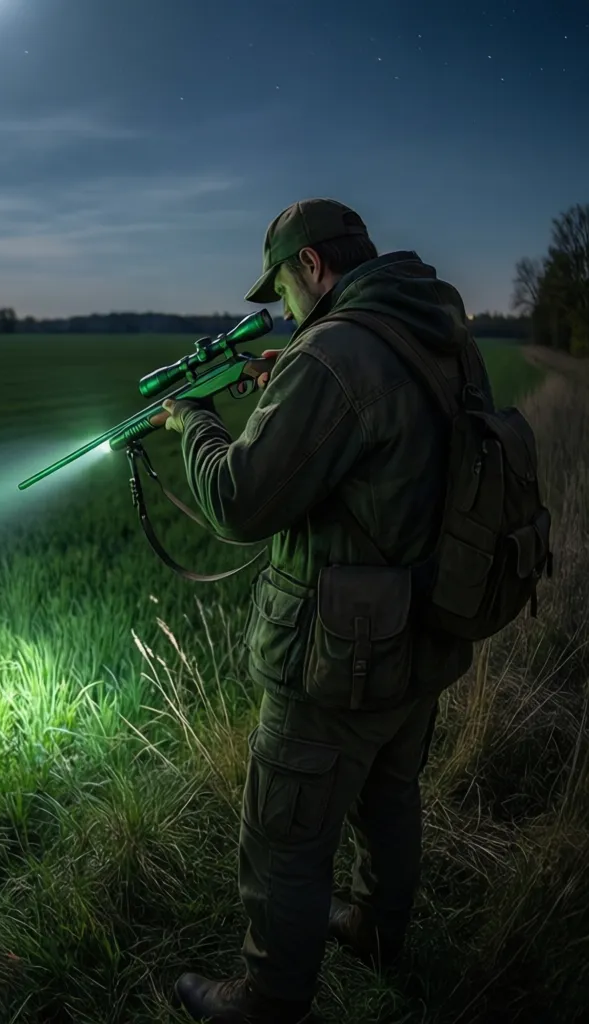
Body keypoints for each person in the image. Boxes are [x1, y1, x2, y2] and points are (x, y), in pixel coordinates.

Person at [147, 198, 494, 1024]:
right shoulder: (432, 328)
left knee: (285, 836)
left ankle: (268, 1000)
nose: (284, 311)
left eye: (283, 291)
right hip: (427, 627)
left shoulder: (335, 353)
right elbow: (387, 444)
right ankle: (378, 930)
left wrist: (194, 418)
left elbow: (238, 499)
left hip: (341, 654)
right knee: (390, 794)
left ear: (311, 266)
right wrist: (290, 381)